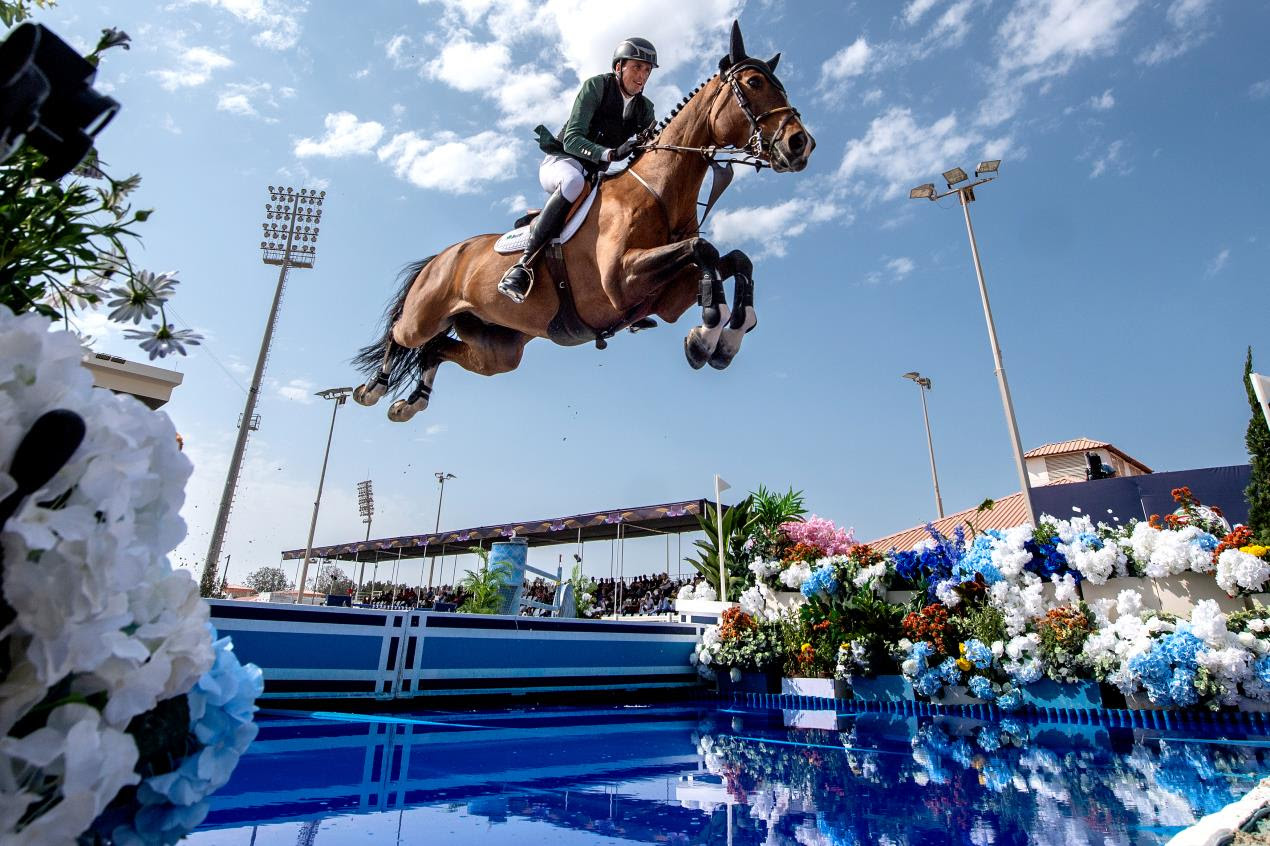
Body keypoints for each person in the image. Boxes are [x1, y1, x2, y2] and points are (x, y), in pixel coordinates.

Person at [498, 37, 658, 304]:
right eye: (636, 67)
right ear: (619, 67)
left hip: (596, 177)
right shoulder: (597, 86)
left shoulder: (645, 108)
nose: (642, 76)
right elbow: (572, 139)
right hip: (562, 162)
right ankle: (523, 266)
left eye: (647, 70)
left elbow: (649, 149)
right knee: (573, 182)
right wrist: (609, 153)